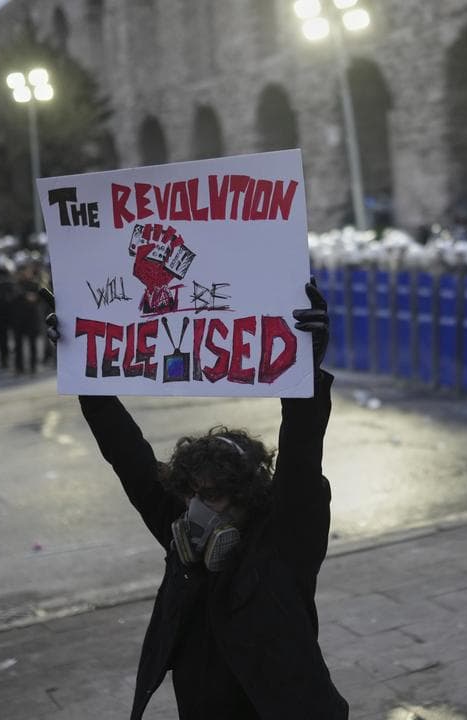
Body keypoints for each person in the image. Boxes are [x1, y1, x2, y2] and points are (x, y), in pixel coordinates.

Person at [45, 281, 348, 720]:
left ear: (247, 497)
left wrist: (305, 371)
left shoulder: (283, 544)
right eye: (190, 492)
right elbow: (126, 453)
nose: (195, 508)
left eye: (211, 495)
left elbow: (301, 456)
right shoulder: (181, 535)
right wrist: (81, 367)